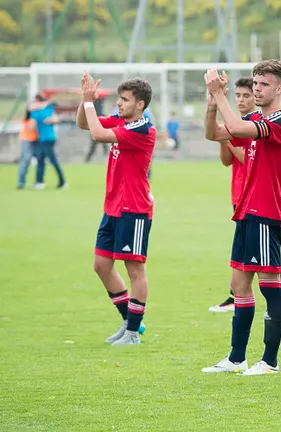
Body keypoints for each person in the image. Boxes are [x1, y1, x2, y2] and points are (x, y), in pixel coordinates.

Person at [200, 60, 281, 376]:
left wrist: (220, 94)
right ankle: (236, 358)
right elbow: (214, 133)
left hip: (266, 212)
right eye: (255, 82)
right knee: (239, 285)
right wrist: (212, 103)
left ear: (279, 89)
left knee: (270, 284)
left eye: (264, 83)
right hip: (246, 211)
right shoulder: (254, 117)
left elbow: (238, 129)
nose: (256, 88)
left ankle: (269, 361)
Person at [207, 77, 281, 314]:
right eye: (237, 95)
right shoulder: (249, 121)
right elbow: (220, 144)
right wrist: (212, 104)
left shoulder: (277, 121)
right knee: (241, 280)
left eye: (247, 94)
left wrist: (220, 97)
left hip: (264, 207)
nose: (241, 99)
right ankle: (237, 351)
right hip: (243, 203)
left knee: (266, 279)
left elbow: (247, 156)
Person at [77, 73, 156, 346]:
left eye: (124, 100)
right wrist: (85, 102)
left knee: (135, 271)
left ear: (140, 104)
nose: (119, 104)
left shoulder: (142, 129)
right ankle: (129, 321)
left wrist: (91, 103)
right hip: (112, 207)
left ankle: (133, 333)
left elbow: (99, 134)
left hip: (133, 209)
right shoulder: (123, 121)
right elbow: (84, 124)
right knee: (101, 265)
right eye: (118, 99)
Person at [30, 94, 67, 190]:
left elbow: (54, 107)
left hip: (47, 139)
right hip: (44, 139)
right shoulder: (39, 111)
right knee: (40, 160)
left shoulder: (45, 109)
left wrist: (53, 120)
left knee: (52, 160)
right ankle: (39, 182)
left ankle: (63, 182)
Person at [16, 109, 38, 189]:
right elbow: (31, 128)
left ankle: (37, 181)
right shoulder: (29, 120)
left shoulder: (29, 119)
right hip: (28, 141)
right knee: (25, 162)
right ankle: (21, 182)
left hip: (33, 141)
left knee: (38, 161)